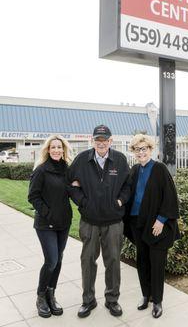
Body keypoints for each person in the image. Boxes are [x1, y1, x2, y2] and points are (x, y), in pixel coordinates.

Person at [68, 125, 131, 318]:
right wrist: (83, 202)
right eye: (98, 140)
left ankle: (112, 300)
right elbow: (70, 184)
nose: (101, 143)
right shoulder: (81, 160)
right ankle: (88, 300)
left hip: (113, 221)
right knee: (87, 260)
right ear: (92, 140)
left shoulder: (119, 160)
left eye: (105, 140)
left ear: (111, 141)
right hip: (90, 221)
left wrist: (119, 201)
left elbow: (128, 186)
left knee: (112, 260)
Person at [124, 134, 180, 319]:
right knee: (142, 261)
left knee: (156, 264)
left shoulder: (159, 169)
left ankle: (157, 301)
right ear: (133, 152)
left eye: (144, 149)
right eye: (137, 149)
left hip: (155, 224)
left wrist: (161, 219)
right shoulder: (133, 170)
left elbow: (170, 196)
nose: (141, 152)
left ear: (150, 149)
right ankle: (145, 295)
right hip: (136, 222)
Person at [28, 135, 73, 318]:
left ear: (63, 150)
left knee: (59, 260)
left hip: (64, 223)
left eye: (59, 147)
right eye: (53, 147)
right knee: (51, 261)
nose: (56, 150)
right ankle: (40, 297)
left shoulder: (67, 170)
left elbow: (73, 190)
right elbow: (33, 196)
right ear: (47, 150)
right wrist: (47, 212)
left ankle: (51, 294)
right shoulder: (41, 170)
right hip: (46, 224)